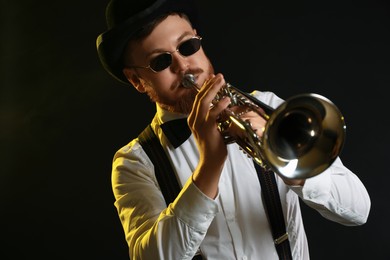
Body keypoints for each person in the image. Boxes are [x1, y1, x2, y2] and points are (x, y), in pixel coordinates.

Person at [96, 0, 371, 259]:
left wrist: (285, 159)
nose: (184, 67)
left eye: (188, 46)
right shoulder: (133, 163)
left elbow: (358, 209)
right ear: (137, 81)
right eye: (160, 62)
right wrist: (209, 167)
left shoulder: (269, 107)